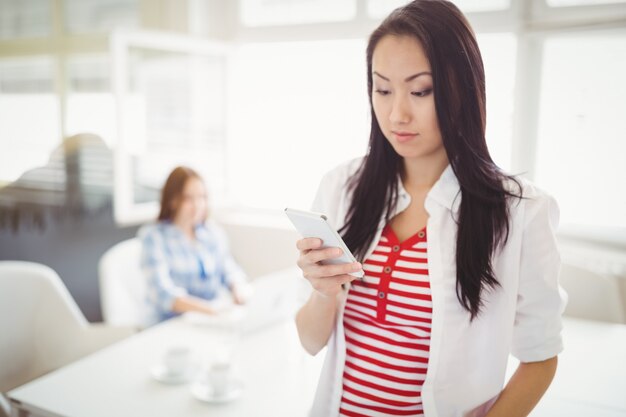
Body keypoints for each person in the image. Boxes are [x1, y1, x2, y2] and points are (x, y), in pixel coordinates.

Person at [294, 1, 567, 416]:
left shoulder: (519, 212)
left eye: (421, 90)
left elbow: (541, 357)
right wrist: (323, 292)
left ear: (463, 87)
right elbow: (311, 341)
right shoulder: (341, 187)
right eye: (382, 89)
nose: (396, 113)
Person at [138, 166, 248, 324]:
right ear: (172, 200)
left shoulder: (212, 233)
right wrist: (211, 310)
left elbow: (229, 270)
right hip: (170, 324)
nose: (197, 205)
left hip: (210, 320)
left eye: (202, 197)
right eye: (188, 198)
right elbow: (163, 294)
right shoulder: (154, 237)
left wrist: (238, 289)